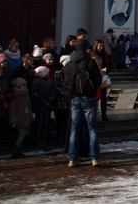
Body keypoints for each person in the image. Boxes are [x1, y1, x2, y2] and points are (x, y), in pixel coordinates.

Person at [64, 38, 102, 167]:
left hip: (74, 98)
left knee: (74, 128)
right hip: (88, 98)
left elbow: (66, 83)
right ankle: (94, 158)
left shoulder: (69, 64)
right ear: (87, 48)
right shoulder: (90, 62)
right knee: (92, 128)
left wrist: (71, 94)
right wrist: (91, 91)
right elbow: (98, 79)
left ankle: (72, 158)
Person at [8, 77, 33, 158]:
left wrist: (30, 115)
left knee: (26, 133)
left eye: (25, 85)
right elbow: (12, 109)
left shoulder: (26, 95)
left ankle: (19, 149)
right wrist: (13, 120)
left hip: (25, 117)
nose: (25, 87)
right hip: (19, 118)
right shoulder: (15, 97)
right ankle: (16, 150)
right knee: (22, 134)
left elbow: (29, 107)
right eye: (23, 85)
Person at [31, 65, 55, 147]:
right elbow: (34, 94)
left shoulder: (50, 81)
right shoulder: (36, 82)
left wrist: (50, 99)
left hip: (48, 105)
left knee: (45, 124)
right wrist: (43, 101)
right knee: (39, 124)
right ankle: (37, 140)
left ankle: (43, 140)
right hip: (39, 105)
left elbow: (53, 91)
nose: (49, 73)